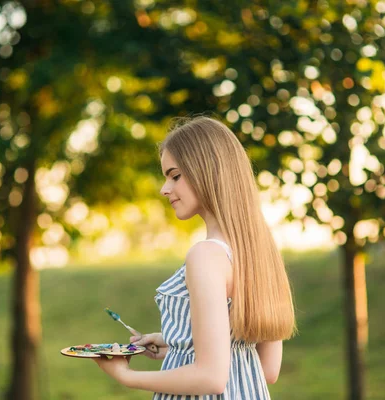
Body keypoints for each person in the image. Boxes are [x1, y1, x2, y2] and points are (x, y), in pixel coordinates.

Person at [94, 116, 296, 399]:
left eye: (175, 175)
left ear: (209, 172)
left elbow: (210, 378)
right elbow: (265, 368)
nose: (165, 189)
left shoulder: (206, 256)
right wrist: (178, 345)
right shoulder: (258, 254)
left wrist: (127, 376)